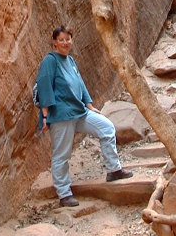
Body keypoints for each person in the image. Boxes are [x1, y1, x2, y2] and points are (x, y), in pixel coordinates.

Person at [35, 25, 133, 207]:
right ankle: (64, 194)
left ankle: (114, 170)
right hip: (61, 114)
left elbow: (80, 83)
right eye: (61, 40)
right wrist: (46, 114)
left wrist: (89, 105)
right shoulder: (50, 61)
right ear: (54, 42)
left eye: (68, 39)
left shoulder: (70, 60)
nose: (65, 43)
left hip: (78, 110)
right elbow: (44, 84)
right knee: (61, 154)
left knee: (106, 128)